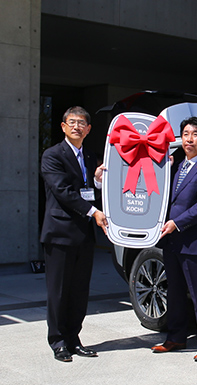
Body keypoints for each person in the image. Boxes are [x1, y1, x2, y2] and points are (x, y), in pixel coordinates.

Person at [40, 106, 108, 362]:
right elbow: (63, 191)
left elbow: (89, 190)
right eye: (72, 122)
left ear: (88, 129)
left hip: (84, 234)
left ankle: (73, 338)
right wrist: (94, 212)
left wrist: (98, 181)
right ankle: (58, 342)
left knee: (79, 291)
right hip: (59, 233)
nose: (77, 127)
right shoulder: (52, 155)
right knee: (58, 291)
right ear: (63, 126)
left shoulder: (90, 157)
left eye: (81, 123)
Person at [152, 116, 197, 362]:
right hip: (170, 240)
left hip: (193, 241)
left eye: (195, 134)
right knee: (174, 292)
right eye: (185, 134)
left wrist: (177, 223)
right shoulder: (175, 166)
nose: (189, 139)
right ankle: (176, 337)